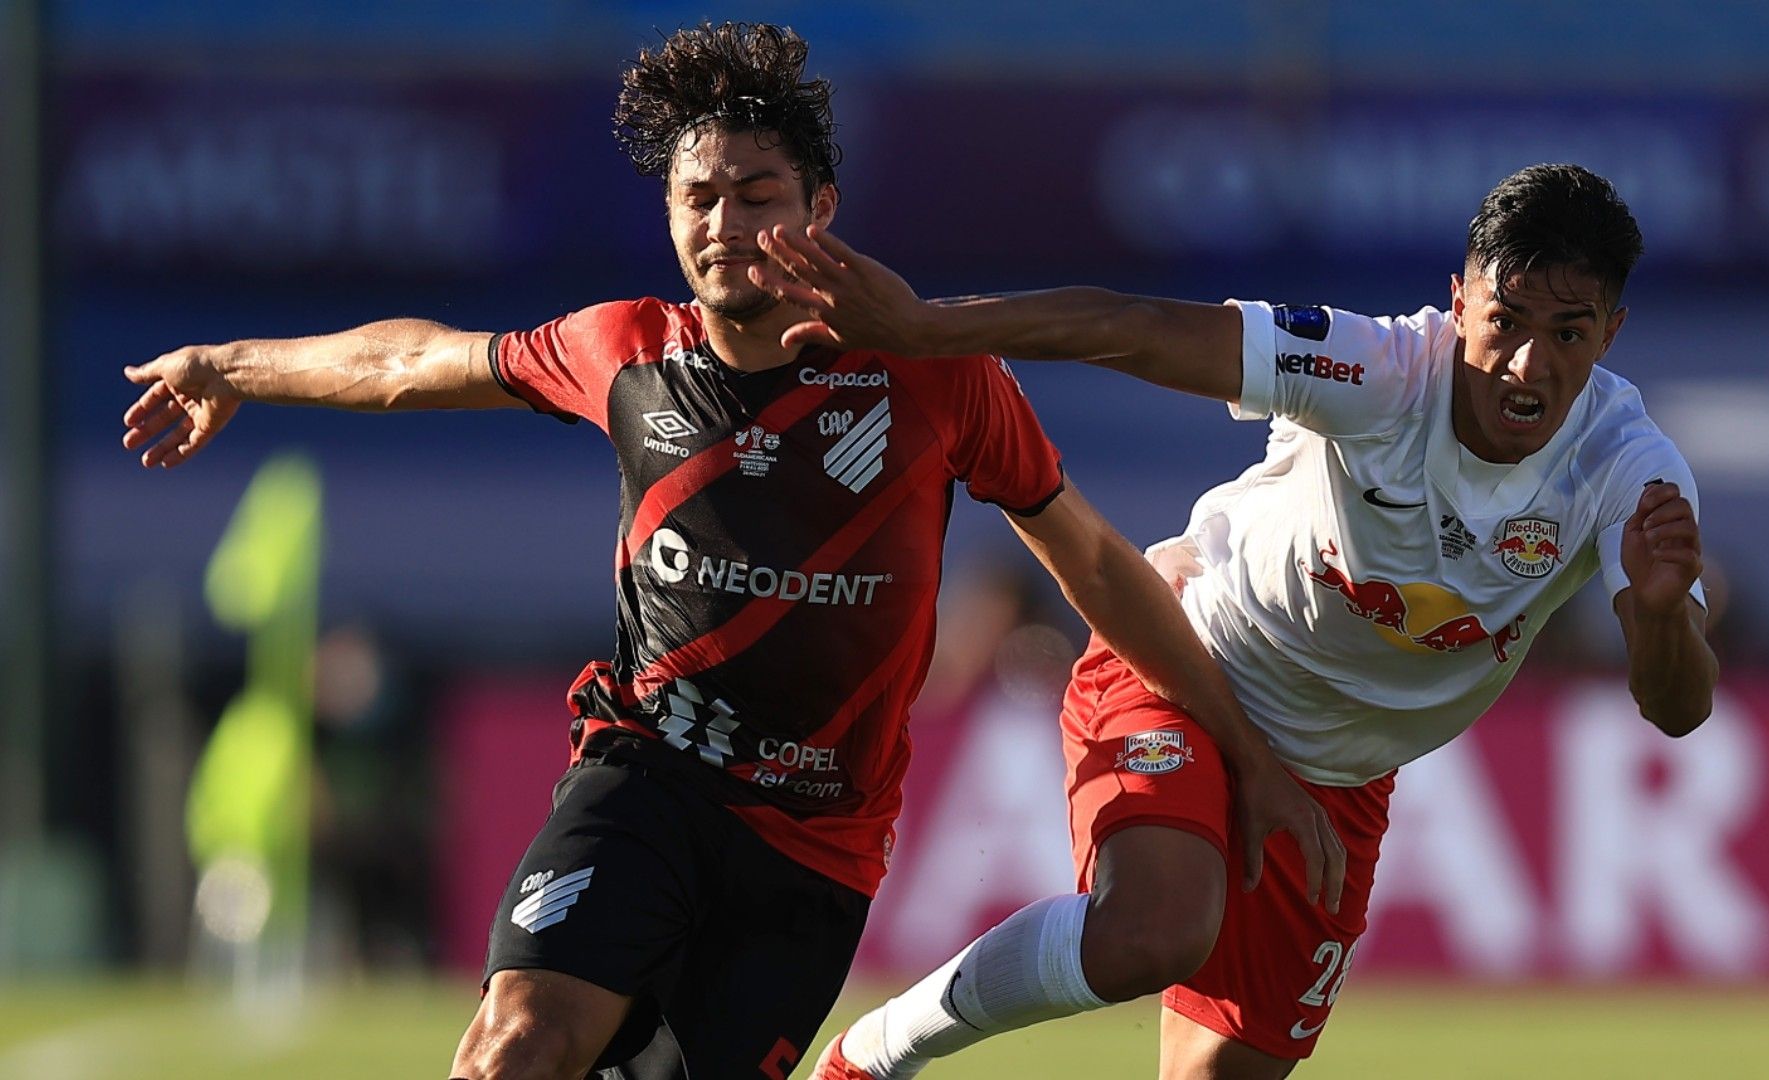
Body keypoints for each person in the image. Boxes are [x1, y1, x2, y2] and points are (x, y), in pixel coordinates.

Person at [117, 22, 1334, 1080]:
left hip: (814, 846)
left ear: (820, 212)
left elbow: (1096, 566)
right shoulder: (622, 353)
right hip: (646, 779)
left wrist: (1242, 749)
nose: (726, 224)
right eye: (700, 196)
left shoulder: (936, 376)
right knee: (515, 1048)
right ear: (667, 213)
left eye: (758, 194)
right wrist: (227, 367)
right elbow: (407, 360)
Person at [751, 163, 1719, 1079]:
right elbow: (1127, 324)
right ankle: (870, 1056)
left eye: (1568, 333)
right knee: (1152, 932)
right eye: (1504, 320)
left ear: (1612, 334)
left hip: (1338, 775)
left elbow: (1674, 709)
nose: (1526, 363)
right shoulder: (1378, 369)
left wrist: (1667, 616)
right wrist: (924, 327)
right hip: (1187, 661)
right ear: (1458, 300)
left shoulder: (1630, 469)